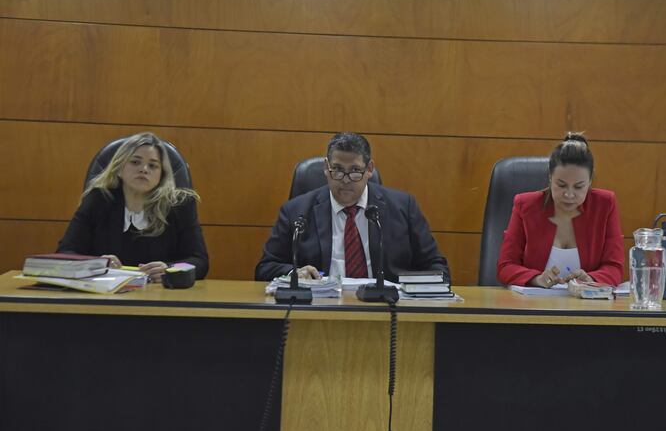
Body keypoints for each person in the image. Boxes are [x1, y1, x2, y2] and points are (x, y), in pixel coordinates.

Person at [255, 132, 449, 282]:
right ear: (326, 168)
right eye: (338, 170)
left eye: (355, 171)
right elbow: (265, 268)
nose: (346, 180)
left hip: (385, 311)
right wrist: (294, 273)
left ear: (370, 170)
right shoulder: (296, 211)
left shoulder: (403, 207)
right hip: (318, 311)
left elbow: (437, 268)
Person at [57, 132, 209, 282]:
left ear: (161, 174)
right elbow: (65, 253)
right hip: (107, 297)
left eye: (153, 165)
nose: (144, 169)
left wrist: (170, 268)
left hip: (159, 298)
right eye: (135, 162)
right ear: (119, 167)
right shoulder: (98, 200)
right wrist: (96, 264)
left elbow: (199, 261)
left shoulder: (179, 205)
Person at [496, 133, 624, 287]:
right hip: (534, 306)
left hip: (587, 306)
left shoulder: (605, 204)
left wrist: (591, 279)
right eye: (561, 185)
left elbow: (614, 268)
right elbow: (506, 266)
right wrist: (536, 279)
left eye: (579, 186)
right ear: (550, 178)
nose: (569, 194)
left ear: (590, 181)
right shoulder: (525, 205)